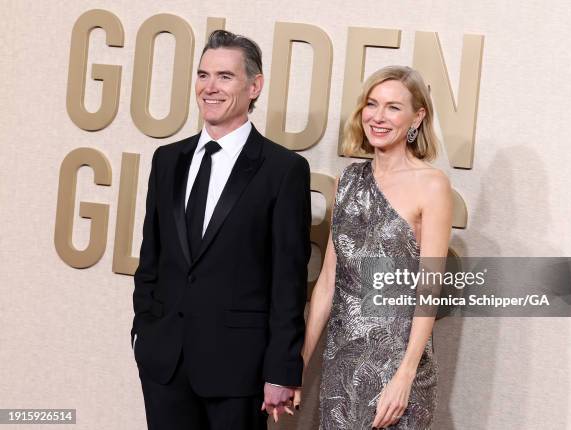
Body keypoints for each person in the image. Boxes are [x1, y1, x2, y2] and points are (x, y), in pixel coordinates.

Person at [130, 30, 311, 430]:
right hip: (164, 364)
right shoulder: (167, 160)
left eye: (225, 77)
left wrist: (281, 368)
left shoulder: (282, 171)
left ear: (254, 86)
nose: (210, 88)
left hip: (238, 370)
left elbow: (288, 280)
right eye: (203, 75)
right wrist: (144, 333)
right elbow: (152, 258)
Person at [295, 66, 452, 429]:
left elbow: (430, 289)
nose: (378, 117)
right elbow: (330, 281)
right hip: (343, 364)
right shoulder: (348, 180)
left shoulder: (432, 185)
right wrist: (299, 363)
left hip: (399, 368)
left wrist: (404, 377)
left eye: (394, 107)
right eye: (372, 104)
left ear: (418, 116)